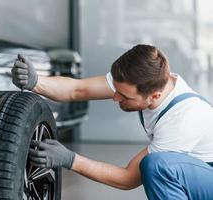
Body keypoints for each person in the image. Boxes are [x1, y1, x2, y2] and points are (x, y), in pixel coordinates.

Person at [12, 44, 213, 200]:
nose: (115, 98)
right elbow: (78, 90)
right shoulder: (143, 78)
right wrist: (36, 82)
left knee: (157, 166)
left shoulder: (183, 120)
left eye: (124, 96)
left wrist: (69, 159)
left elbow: (128, 179)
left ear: (154, 96)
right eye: (115, 90)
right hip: (196, 172)